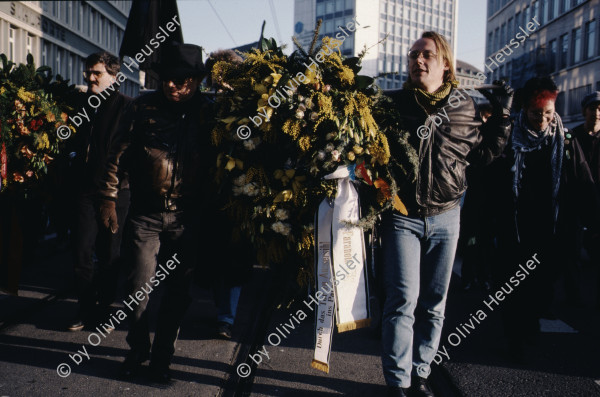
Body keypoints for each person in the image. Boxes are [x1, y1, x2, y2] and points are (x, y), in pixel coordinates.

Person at [382, 31, 513, 397]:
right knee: (402, 300)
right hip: (402, 215)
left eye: (426, 55)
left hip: (447, 216)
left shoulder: (465, 106)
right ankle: (398, 382)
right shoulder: (393, 103)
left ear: (445, 64)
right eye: (412, 55)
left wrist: (502, 116)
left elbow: (484, 155)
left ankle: (420, 373)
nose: (417, 61)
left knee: (435, 302)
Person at [97, 43, 213, 383]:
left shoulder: (210, 112)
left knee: (178, 291)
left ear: (196, 80)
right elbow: (115, 154)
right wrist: (107, 197)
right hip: (145, 215)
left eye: (181, 81)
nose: (172, 86)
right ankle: (137, 350)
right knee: (137, 287)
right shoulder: (141, 107)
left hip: (187, 218)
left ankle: (162, 358)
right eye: (167, 80)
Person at [495, 78, 599, 360]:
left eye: (548, 114)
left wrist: (594, 223)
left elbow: (583, 184)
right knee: (513, 287)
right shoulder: (508, 139)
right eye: (535, 113)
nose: (542, 120)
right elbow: (488, 183)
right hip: (514, 229)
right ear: (525, 110)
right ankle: (514, 338)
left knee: (541, 289)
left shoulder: (565, 140)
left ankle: (528, 325)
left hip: (551, 231)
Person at [68, 51, 131, 332]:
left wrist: (118, 187)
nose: (90, 77)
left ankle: (105, 308)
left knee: (110, 253)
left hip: (116, 193)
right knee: (81, 251)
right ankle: (84, 309)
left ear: (114, 77)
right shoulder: (80, 105)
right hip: (84, 190)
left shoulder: (128, 108)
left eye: (97, 73)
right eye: (88, 72)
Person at [203, 49, 253, 340]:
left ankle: (226, 316)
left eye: (227, 75)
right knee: (212, 256)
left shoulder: (252, 107)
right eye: (216, 75)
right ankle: (221, 308)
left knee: (234, 259)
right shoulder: (205, 106)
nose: (220, 82)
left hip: (241, 193)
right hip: (209, 193)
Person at [570, 92, 600, 309]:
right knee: (573, 252)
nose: (597, 113)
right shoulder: (573, 136)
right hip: (576, 204)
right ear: (584, 111)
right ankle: (574, 297)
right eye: (592, 108)